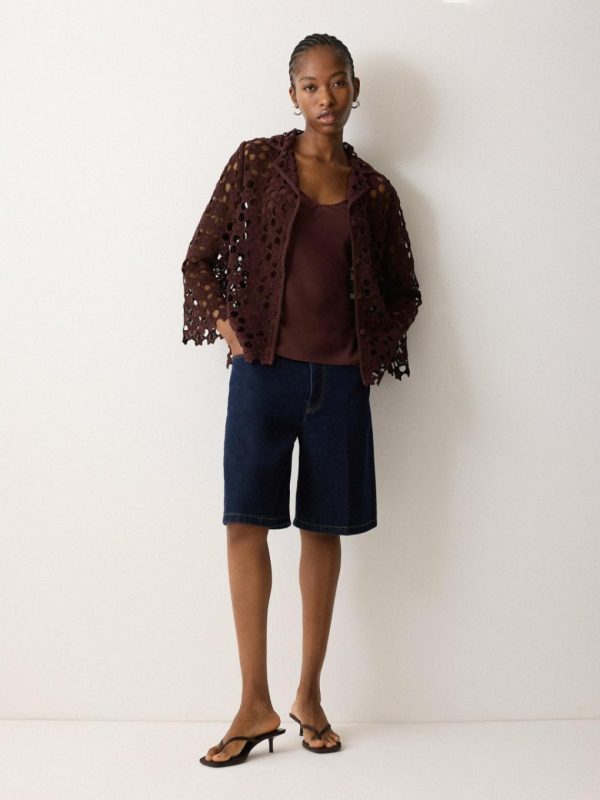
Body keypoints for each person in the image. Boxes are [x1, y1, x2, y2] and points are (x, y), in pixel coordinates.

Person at [181, 33, 422, 767]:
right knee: (245, 524)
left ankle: (308, 696)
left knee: (324, 531)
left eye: (337, 83)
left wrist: (365, 351)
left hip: (339, 386)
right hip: (264, 375)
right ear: (292, 94)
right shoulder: (256, 163)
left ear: (355, 89)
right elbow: (199, 260)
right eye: (311, 86)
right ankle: (253, 704)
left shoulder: (374, 191)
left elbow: (405, 292)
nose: (326, 98)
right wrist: (232, 328)